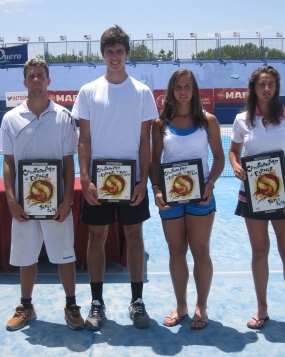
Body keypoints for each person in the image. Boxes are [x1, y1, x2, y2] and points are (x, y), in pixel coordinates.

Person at [71, 25, 158, 330]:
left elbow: (144, 141)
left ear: (128, 53)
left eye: (120, 51)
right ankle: (96, 303)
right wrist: (86, 178)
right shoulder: (88, 91)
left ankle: (137, 302)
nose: (115, 57)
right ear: (103, 55)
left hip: (132, 178)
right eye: (109, 52)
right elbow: (84, 140)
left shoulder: (142, 92)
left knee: (134, 237)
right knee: (97, 238)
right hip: (98, 179)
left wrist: (143, 180)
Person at [0, 58, 84, 331]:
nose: (36, 80)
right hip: (24, 203)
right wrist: (11, 199)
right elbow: (9, 163)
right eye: (31, 76)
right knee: (26, 255)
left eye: (40, 76)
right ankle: (26, 305)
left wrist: (68, 199)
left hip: (56, 201)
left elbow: (68, 161)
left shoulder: (64, 117)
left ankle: (71, 305)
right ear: (24, 82)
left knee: (64, 254)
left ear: (49, 81)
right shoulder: (10, 119)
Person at [149, 69, 224, 329]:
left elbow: (219, 157)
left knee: (200, 251)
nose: (183, 91)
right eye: (178, 87)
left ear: (194, 90)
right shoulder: (160, 124)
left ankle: (200, 306)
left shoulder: (208, 121)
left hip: (200, 198)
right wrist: (157, 188)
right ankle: (181, 305)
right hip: (171, 199)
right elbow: (154, 161)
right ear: (171, 91)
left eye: (187, 86)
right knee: (176, 251)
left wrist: (210, 184)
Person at [229, 66, 285, 329]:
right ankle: (261, 309)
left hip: (282, 193)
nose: (266, 88)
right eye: (262, 84)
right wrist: (236, 165)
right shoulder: (242, 119)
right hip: (252, 193)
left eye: (271, 84)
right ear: (253, 88)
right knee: (260, 250)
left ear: (276, 87)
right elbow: (234, 151)